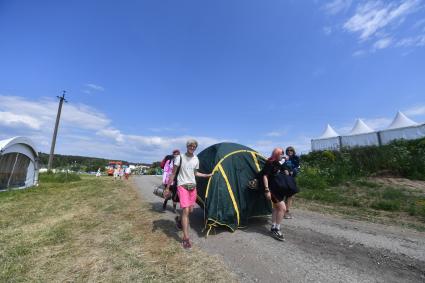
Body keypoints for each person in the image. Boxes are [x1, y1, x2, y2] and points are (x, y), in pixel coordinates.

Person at [164, 139, 213, 249]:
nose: (192, 147)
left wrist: (206, 175)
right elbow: (173, 173)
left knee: (190, 210)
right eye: (190, 145)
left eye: (194, 146)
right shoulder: (179, 157)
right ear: (187, 146)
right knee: (186, 210)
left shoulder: (196, 159)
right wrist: (167, 187)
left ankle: (179, 220)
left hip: (193, 187)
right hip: (182, 186)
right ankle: (186, 238)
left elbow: (195, 173)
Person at [261, 148, 286, 241]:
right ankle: (277, 229)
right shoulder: (270, 163)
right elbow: (265, 176)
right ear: (276, 154)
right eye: (281, 154)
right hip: (272, 189)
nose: (282, 155)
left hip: (278, 189)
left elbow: (283, 168)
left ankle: (273, 226)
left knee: (276, 208)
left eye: (283, 154)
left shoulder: (277, 163)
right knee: (283, 208)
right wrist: (267, 190)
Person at [283, 146, 300, 219]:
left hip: (292, 178)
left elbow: (297, 167)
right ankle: (282, 211)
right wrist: (285, 169)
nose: (289, 151)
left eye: (291, 150)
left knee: (290, 195)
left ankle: (287, 211)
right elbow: (281, 166)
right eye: (288, 150)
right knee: (284, 195)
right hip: (284, 178)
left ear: (293, 151)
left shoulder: (296, 158)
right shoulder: (284, 159)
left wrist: (293, 171)